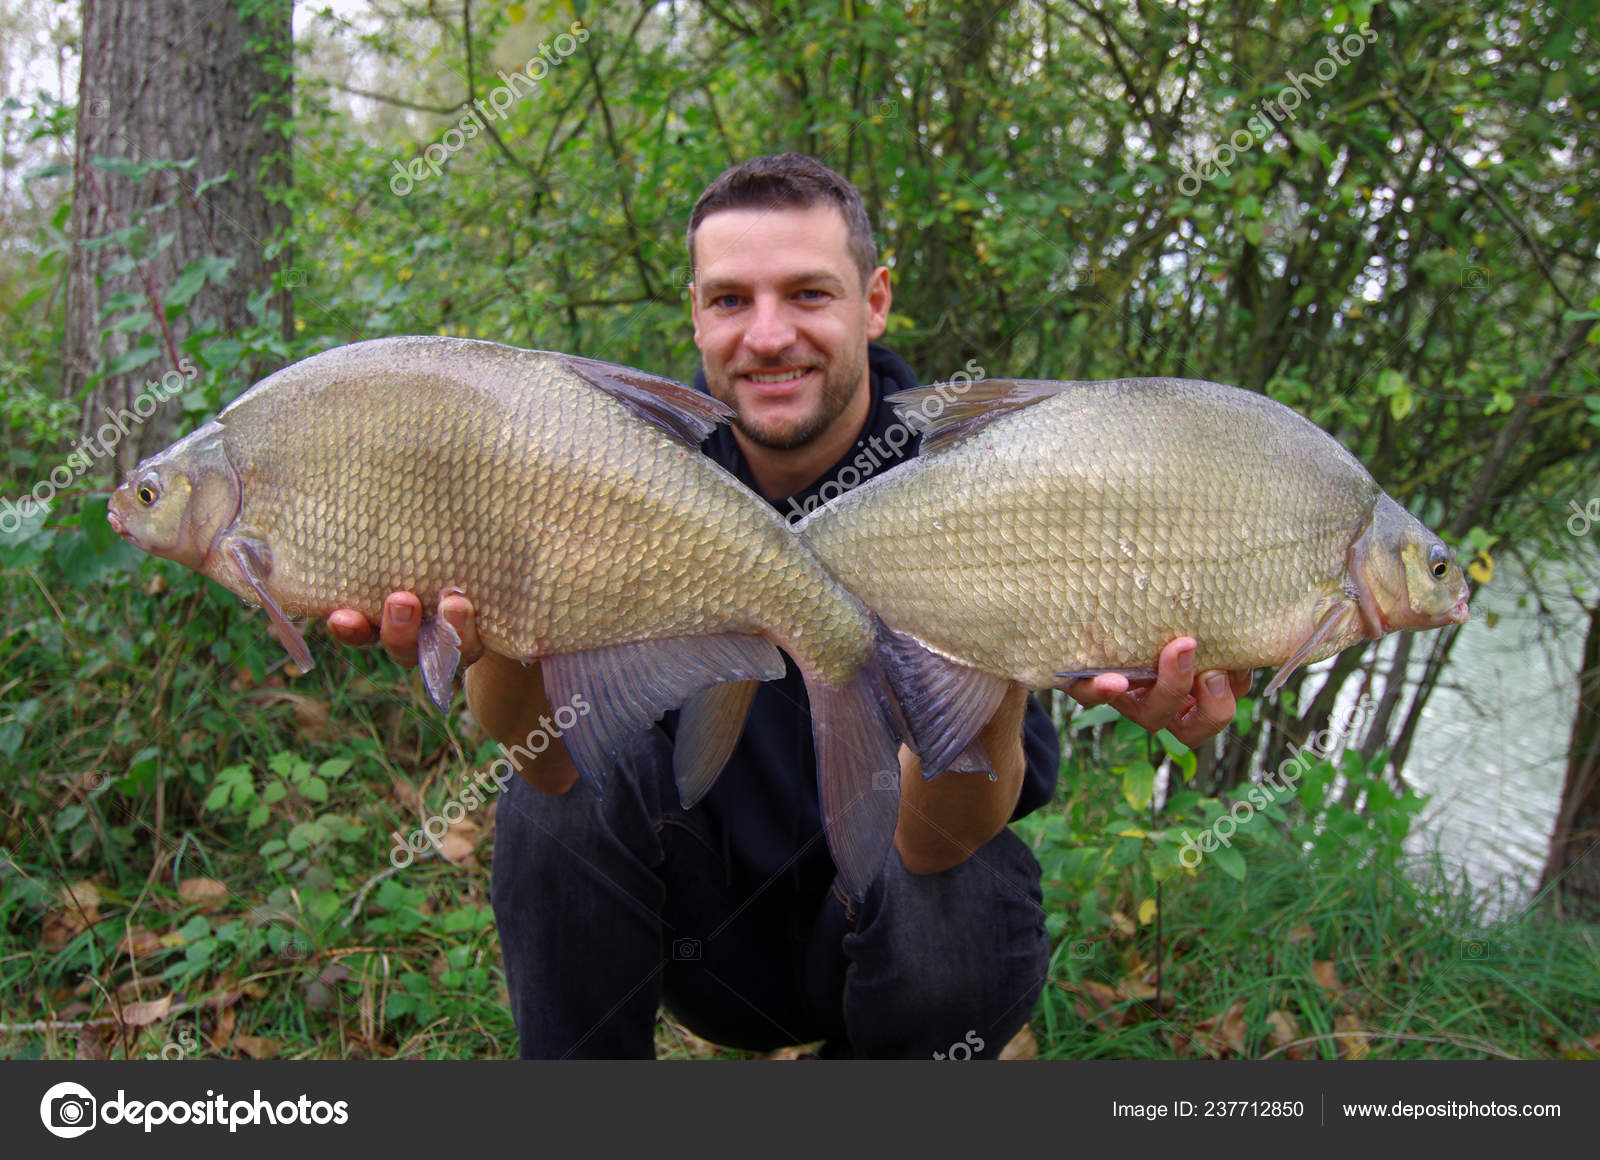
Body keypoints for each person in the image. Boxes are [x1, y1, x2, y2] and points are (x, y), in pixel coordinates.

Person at [329, 154, 1248, 1058]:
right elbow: (555, 764)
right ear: (694, 314)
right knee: (544, 813)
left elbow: (944, 843)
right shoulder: (604, 466)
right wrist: (489, 621)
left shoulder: (980, 474)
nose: (768, 337)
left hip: (883, 933)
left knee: (964, 888)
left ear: (874, 299)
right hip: (697, 925)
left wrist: (1004, 649)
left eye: (809, 294)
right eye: (731, 300)